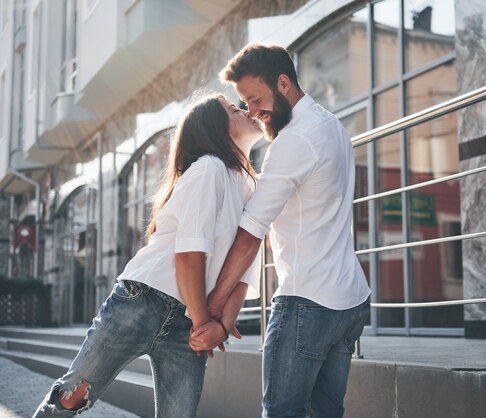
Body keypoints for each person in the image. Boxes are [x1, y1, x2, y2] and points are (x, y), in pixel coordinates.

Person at [32, 91, 263, 418]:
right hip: (142, 302)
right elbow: (189, 254)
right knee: (71, 397)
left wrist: (222, 326)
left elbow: (245, 265)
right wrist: (204, 324)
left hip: (190, 322)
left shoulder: (252, 187)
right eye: (232, 109)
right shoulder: (209, 168)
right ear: (216, 128)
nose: (244, 110)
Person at [193, 43, 371, 418]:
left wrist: (213, 304)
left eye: (256, 99)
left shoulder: (294, 141)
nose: (253, 113)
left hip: (308, 302)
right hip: (349, 300)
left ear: (284, 83)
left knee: (282, 412)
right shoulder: (332, 126)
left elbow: (250, 231)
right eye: (245, 104)